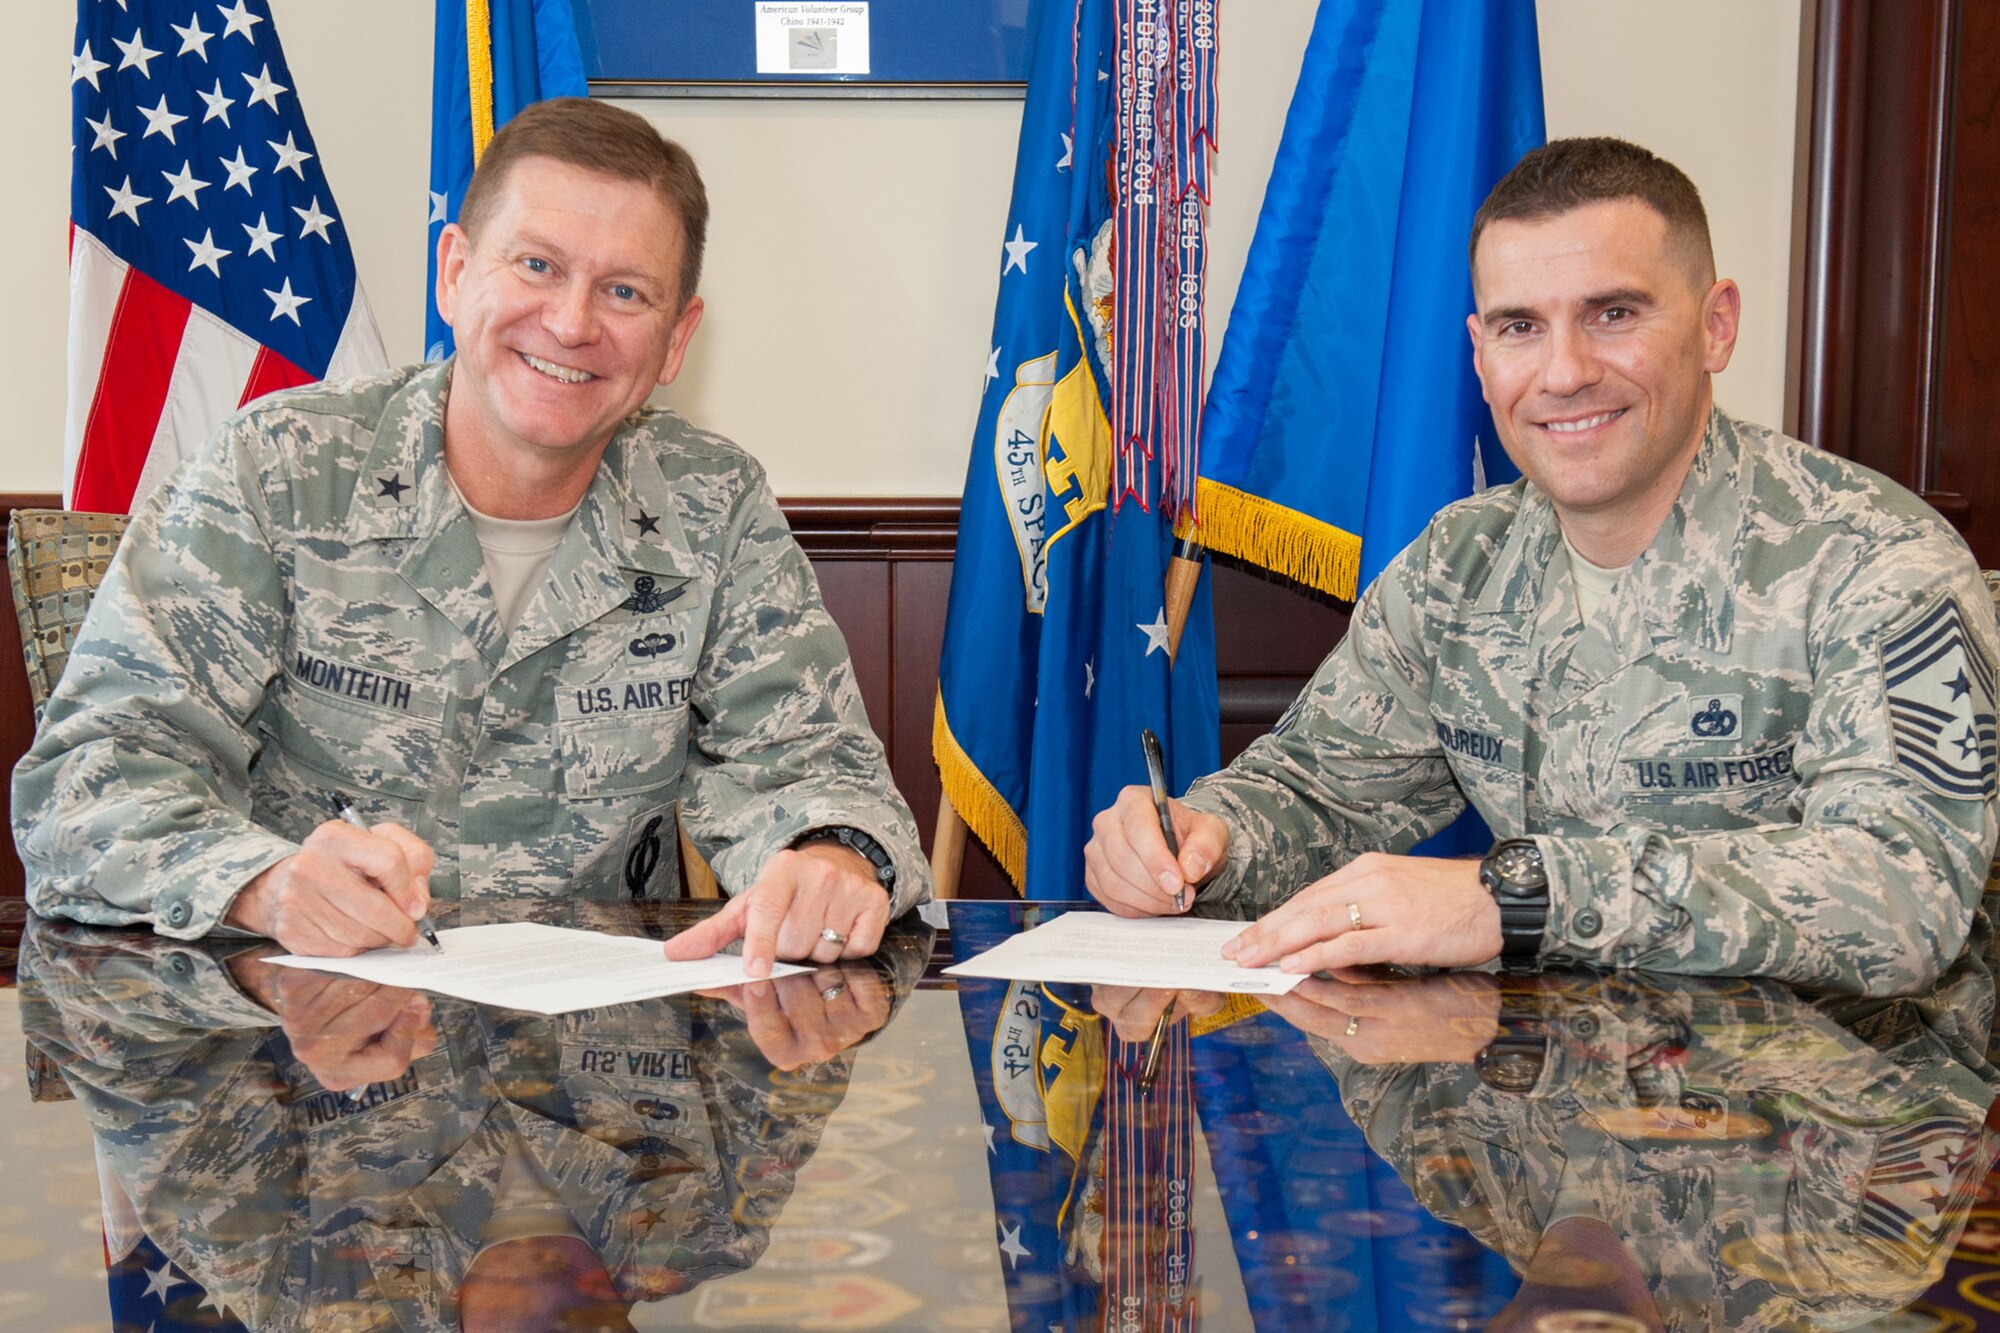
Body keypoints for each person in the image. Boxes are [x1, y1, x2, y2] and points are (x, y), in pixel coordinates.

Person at [13, 98, 929, 974]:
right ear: (454, 272)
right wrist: (262, 882)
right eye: (535, 265)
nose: (571, 324)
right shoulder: (279, 469)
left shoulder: (712, 506)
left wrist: (832, 857)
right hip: (309, 1059)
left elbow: (815, 766)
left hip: (600, 1083)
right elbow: (87, 781)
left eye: (624, 290)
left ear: (675, 339)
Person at [1084, 136, 2000, 995]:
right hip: (1534, 1113)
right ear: (1480, 358)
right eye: (1521, 327)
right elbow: (1319, 789)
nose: (1563, 372)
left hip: (1820, 1131)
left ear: (1717, 327)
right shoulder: (1458, 564)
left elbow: (1901, 888)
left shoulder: (1877, 564)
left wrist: (1520, 894)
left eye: (1613, 314)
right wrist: (1204, 842)